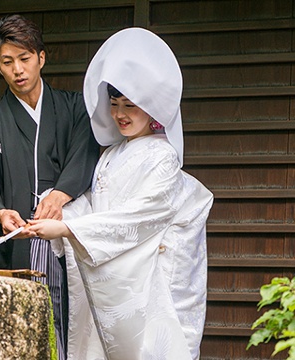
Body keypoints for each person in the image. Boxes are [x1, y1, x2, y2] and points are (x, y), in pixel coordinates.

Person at [27, 27, 214, 360]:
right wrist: (56, 212)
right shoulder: (111, 154)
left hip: (149, 285)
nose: (120, 115)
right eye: (114, 104)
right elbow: (96, 207)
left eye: (130, 105)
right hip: (110, 274)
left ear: (153, 108)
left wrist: (69, 230)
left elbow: (140, 217)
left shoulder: (163, 157)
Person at [0, 14, 99, 360]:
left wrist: (61, 193)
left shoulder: (74, 109)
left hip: (66, 240)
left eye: (24, 59)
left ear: (41, 57)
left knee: (71, 323)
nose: (18, 70)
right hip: (18, 244)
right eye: (7, 62)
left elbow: (86, 150)